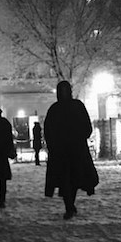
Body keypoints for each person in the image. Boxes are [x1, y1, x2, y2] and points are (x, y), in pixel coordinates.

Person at [43, 80, 99, 220]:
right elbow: (48, 130)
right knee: (67, 180)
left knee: (72, 179)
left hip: (72, 150)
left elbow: (86, 127)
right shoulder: (60, 108)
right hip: (65, 151)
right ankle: (69, 206)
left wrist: (78, 138)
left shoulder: (63, 108)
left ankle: (70, 205)